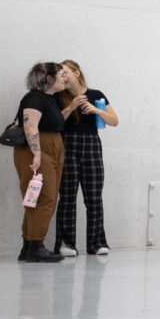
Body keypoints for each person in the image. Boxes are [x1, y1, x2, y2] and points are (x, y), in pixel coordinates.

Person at [51, 60, 117, 257]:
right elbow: (54, 123)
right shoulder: (57, 96)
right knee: (67, 196)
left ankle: (97, 243)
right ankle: (66, 243)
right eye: (60, 74)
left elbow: (114, 121)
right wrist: (71, 107)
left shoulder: (96, 94)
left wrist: (95, 109)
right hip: (67, 145)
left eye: (65, 73)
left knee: (94, 197)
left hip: (91, 145)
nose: (63, 77)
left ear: (77, 73)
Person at [11, 62, 67, 263]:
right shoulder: (34, 97)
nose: (65, 78)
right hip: (38, 150)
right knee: (43, 198)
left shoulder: (50, 99)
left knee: (40, 197)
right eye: (61, 75)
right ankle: (35, 246)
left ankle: (28, 247)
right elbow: (30, 126)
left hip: (53, 147)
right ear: (49, 78)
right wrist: (36, 154)